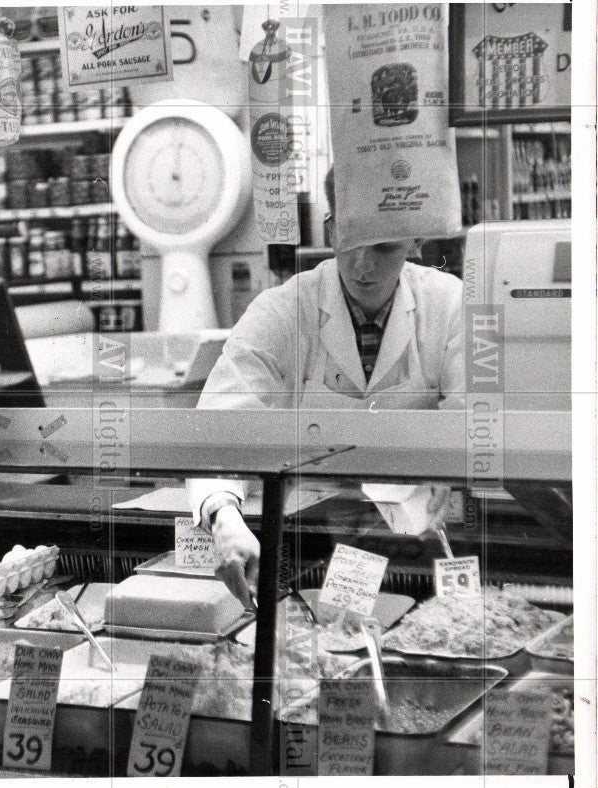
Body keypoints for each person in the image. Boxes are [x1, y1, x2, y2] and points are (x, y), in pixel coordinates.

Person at [190, 166, 463, 606]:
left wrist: (451, 468)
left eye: (384, 246)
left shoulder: (448, 304)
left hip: (417, 540)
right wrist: (223, 516)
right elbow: (219, 428)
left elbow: (472, 419)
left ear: (416, 242)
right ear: (331, 230)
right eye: (351, 240)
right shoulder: (282, 309)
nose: (363, 264)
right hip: (306, 539)